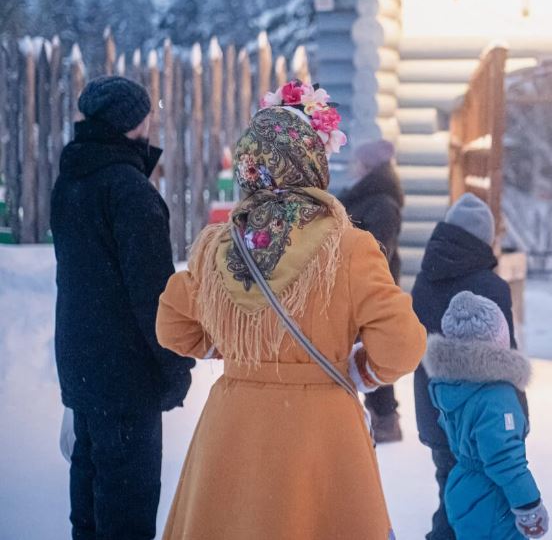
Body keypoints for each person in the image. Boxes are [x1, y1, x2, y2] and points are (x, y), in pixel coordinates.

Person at [156, 84, 427, 540]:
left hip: (233, 433)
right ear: (312, 163)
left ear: (250, 165)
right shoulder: (350, 246)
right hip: (321, 437)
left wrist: (242, 347)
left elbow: (172, 328)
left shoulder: (217, 246)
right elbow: (402, 345)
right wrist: (360, 369)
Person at [51, 75, 195, 539]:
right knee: (126, 518)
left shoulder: (73, 179)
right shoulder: (129, 192)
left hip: (83, 369)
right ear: (133, 124)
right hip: (126, 379)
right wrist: (175, 367)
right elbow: (154, 294)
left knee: (89, 512)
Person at [412, 192, 523, 540]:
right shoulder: (492, 287)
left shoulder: (424, 280)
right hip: (484, 421)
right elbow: (506, 357)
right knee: (478, 508)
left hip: (435, 408)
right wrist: (519, 413)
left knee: (449, 492)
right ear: (485, 238)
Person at [424, 291, 548, 539]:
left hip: (462, 485)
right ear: (496, 340)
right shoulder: (496, 395)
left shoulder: (453, 384)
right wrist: (528, 505)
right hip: (492, 495)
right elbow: (504, 458)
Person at [339, 137, 406, 443]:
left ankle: (385, 420)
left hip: (370, 287)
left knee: (370, 350)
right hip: (357, 284)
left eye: (357, 161)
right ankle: (380, 418)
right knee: (363, 349)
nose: (353, 166)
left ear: (367, 165)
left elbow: (379, 249)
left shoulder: (382, 203)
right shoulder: (367, 196)